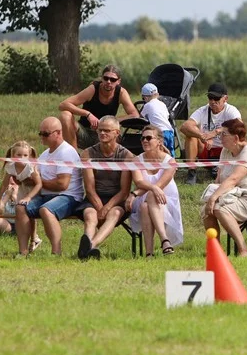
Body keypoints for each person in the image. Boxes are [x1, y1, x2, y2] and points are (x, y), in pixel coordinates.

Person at [201, 118, 247, 257]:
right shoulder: (225, 152)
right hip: (232, 195)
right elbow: (220, 178)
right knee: (207, 210)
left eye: (223, 134)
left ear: (235, 138)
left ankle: (244, 250)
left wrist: (214, 198)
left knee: (219, 208)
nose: (220, 138)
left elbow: (234, 179)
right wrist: (212, 197)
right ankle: (216, 250)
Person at [15, 117, 85, 256]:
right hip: (46, 196)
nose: (42, 137)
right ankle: (23, 252)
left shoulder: (66, 152)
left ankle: (56, 252)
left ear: (58, 133)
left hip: (69, 197)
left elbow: (62, 184)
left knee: (46, 210)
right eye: (40, 133)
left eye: (45, 134)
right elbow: (34, 177)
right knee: (20, 207)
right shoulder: (44, 154)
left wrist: (37, 181)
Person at [78, 115, 134, 260]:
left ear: (117, 132)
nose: (102, 133)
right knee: (90, 215)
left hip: (117, 199)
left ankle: (91, 246)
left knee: (114, 214)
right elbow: (89, 189)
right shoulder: (87, 154)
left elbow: (124, 191)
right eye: (100, 130)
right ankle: (88, 247)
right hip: (94, 196)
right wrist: (99, 207)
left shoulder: (126, 156)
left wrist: (106, 208)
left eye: (107, 131)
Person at [127, 124, 183, 256]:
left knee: (149, 201)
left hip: (166, 201)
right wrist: (135, 194)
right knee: (147, 202)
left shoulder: (170, 161)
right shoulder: (136, 160)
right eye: (142, 139)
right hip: (142, 199)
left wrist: (135, 193)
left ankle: (150, 253)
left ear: (159, 141)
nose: (144, 141)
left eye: (148, 138)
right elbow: (139, 182)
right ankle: (164, 241)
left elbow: (160, 185)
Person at [58, 64, 138, 148]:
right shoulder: (93, 89)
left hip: (104, 134)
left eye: (113, 80)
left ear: (118, 81)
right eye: (106, 78)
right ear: (102, 78)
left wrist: (108, 122)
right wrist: (88, 114)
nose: (108, 82)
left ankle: (107, 158)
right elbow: (63, 105)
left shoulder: (121, 92)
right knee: (65, 115)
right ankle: (73, 156)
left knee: (114, 131)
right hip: (84, 131)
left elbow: (134, 115)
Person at [180, 82, 241, 185]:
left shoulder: (231, 110)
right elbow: (185, 126)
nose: (212, 101)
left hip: (225, 150)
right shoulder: (202, 110)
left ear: (225, 98)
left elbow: (239, 125)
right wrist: (202, 136)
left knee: (237, 137)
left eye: (216, 98)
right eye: (210, 97)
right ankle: (192, 172)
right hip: (206, 150)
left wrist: (216, 132)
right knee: (191, 136)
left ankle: (227, 168)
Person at [0, 141, 41, 248]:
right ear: (12, 156)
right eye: (19, 155)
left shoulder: (30, 167)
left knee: (30, 213)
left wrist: (29, 197)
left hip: (34, 191)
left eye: (25, 155)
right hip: (23, 189)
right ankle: (29, 240)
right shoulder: (11, 166)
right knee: (22, 212)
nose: (22, 158)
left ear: (29, 156)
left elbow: (39, 184)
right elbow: (4, 185)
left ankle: (34, 238)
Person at [139, 83, 175, 155]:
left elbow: (140, 117)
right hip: (170, 131)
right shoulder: (162, 104)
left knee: (160, 151)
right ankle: (172, 163)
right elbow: (167, 116)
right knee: (170, 150)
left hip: (159, 132)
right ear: (157, 95)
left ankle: (160, 164)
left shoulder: (147, 105)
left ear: (145, 98)